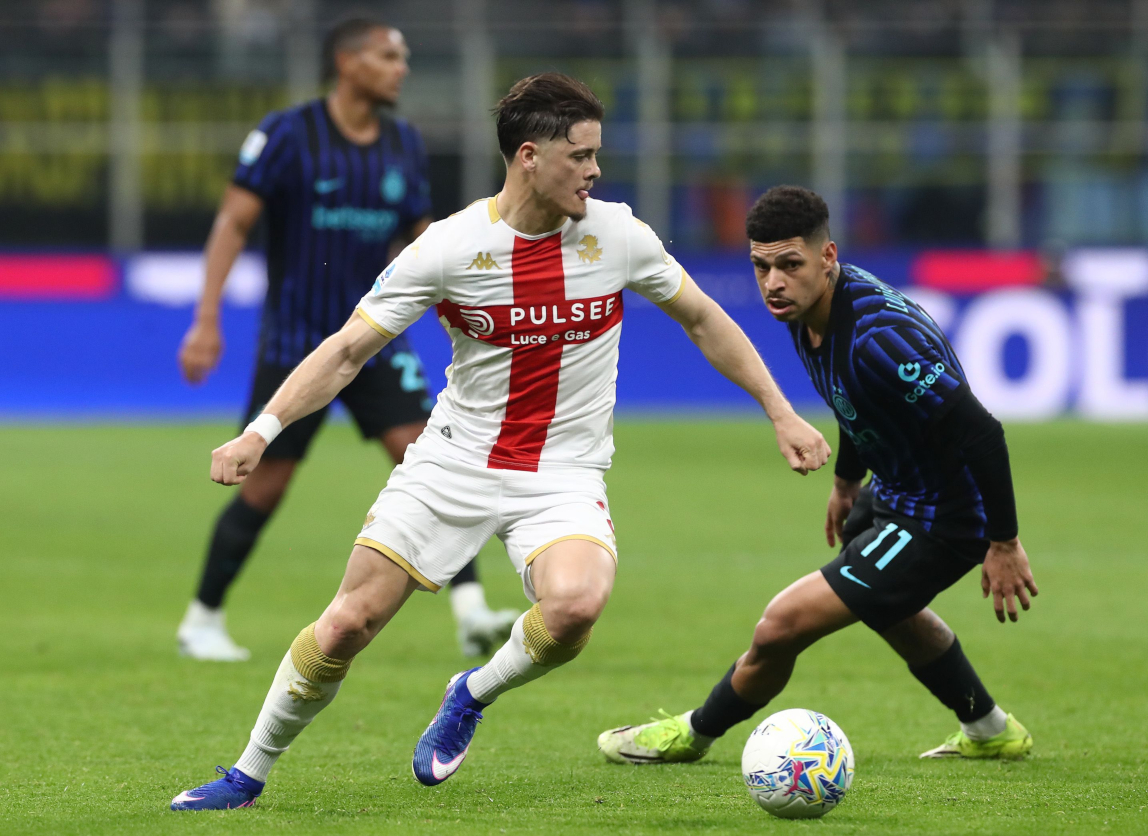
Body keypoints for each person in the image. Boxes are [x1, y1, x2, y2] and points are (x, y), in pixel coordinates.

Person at [168, 73, 831, 811]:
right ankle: (248, 773)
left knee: (575, 609)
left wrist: (780, 409)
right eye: (579, 155)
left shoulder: (618, 235)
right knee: (348, 623)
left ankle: (471, 692)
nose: (595, 170)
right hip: (453, 461)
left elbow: (704, 319)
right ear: (528, 157)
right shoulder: (449, 249)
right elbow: (349, 349)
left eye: (596, 154)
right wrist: (261, 430)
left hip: (563, 472)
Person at [597, 185, 1038, 767]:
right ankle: (989, 727)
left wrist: (1003, 541)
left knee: (781, 625)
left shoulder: (880, 338)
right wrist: (847, 483)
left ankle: (692, 734)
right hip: (898, 491)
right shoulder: (809, 314)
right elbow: (856, 403)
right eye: (761, 266)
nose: (773, 282)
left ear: (827, 258)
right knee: (889, 605)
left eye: (790, 265)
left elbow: (982, 432)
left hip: (944, 515)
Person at [174, 17, 517, 663]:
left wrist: (467, 316)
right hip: (297, 346)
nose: (401, 68)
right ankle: (202, 617)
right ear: (349, 62)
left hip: (377, 340)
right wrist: (207, 317)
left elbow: (423, 243)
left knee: (424, 461)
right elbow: (233, 222)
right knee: (266, 484)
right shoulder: (287, 135)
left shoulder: (404, 144)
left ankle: (471, 612)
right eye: (390, 56)